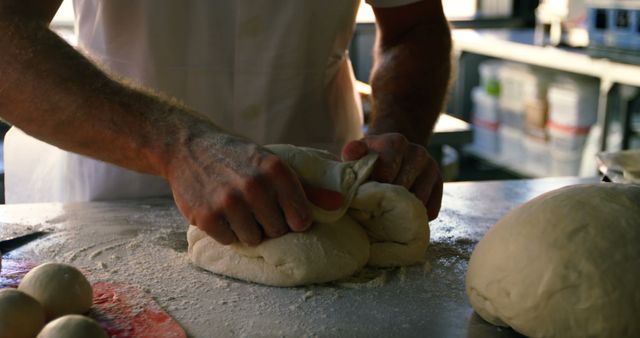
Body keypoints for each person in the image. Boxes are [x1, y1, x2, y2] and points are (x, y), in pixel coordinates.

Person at [0, 0, 452, 245]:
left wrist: (394, 141)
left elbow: (414, 27)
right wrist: (174, 146)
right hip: (117, 196)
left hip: (328, 201)